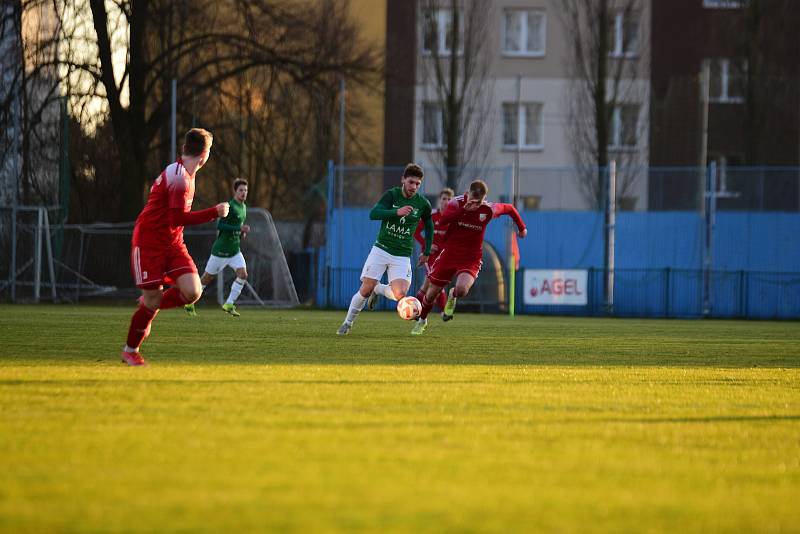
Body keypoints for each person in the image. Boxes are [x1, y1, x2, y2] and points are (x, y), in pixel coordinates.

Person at [121, 128, 229, 366]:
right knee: (152, 300)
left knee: (193, 291)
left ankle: (150, 304)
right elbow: (176, 218)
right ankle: (130, 350)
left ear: (184, 149)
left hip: (172, 243)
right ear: (204, 155)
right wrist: (214, 212)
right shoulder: (179, 176)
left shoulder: (187, 174)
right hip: (149, 242)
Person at [411, 179, 527, 335]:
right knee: (432, 293)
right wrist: (463, 210)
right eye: (474, 200)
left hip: (471, 257)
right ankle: (422, 321)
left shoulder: (488, 209)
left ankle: (453, 295)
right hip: (450, 253)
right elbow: (444, 220)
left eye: (479, 202)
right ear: (467, 194)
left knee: (462, 289)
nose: (476, 204)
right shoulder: (455, 203)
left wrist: (522, 228)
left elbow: (510, 208)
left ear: (484, 199)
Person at [336, 163, 434, 335]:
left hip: (402, 255)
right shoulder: (392, 195)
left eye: (418, 184)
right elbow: (373, 213)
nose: (414, 187)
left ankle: (379, 289)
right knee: (365, 290)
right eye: (411, 182)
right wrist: (395, 213)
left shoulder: (422, 204)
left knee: (400, 295)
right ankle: (347, 323)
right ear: (403, 180)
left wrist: (426, 253)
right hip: (381, 249)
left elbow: (429, 226)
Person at [184, 178, 250, 317]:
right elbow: (220, 225)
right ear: (235, 191)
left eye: (245, 190)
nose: (243, 193)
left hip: (234, 250)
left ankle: (229, 304)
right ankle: (190, 302)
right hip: (221, 251)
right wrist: (239, 227)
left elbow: (236, 228)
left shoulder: (243, 207)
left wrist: (241, 233)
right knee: (206, 279)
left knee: (243, 274)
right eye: (241, 190)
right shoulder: (230, 206)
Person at [412, 187, 454, 320]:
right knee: (436, 284)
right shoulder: (431, 216)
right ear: (439, 201)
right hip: (430, 256)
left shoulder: (452, 218)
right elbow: (416, 232)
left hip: (444, 257)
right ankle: (443, 312)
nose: (446, 201)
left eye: (449, 199)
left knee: (428, 286)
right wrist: (427, 245)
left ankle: (415, 308)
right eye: (444, 199)